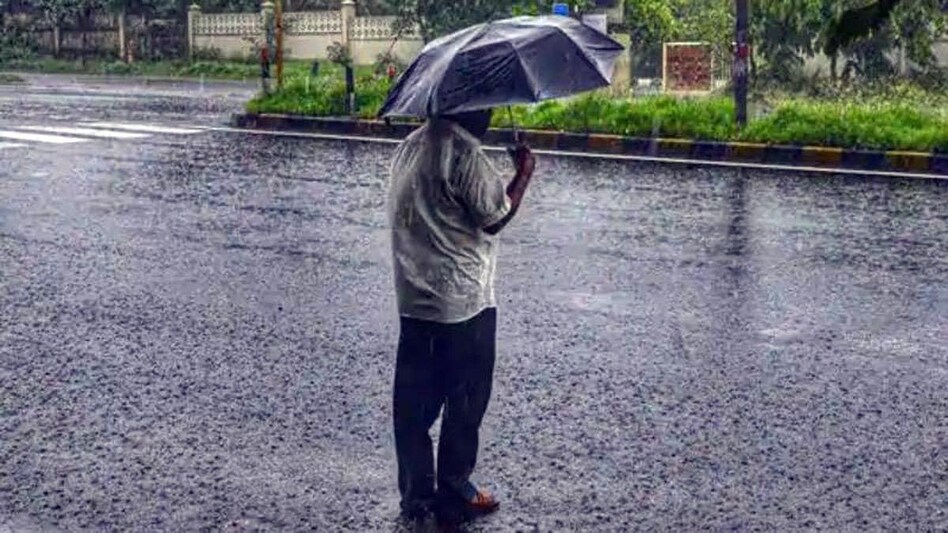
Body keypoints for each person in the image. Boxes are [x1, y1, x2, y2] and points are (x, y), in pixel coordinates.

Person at [387, 109, 537, 526]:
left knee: (413, 408)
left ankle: (417, 498)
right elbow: (495, 217)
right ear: (467, 106)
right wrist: (524, 172)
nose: (489, 114)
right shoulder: (463, 153)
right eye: (485, 105)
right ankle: (455, 485)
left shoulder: (410, 146)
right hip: (463, 303)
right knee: (465, 400)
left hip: (415, 300)